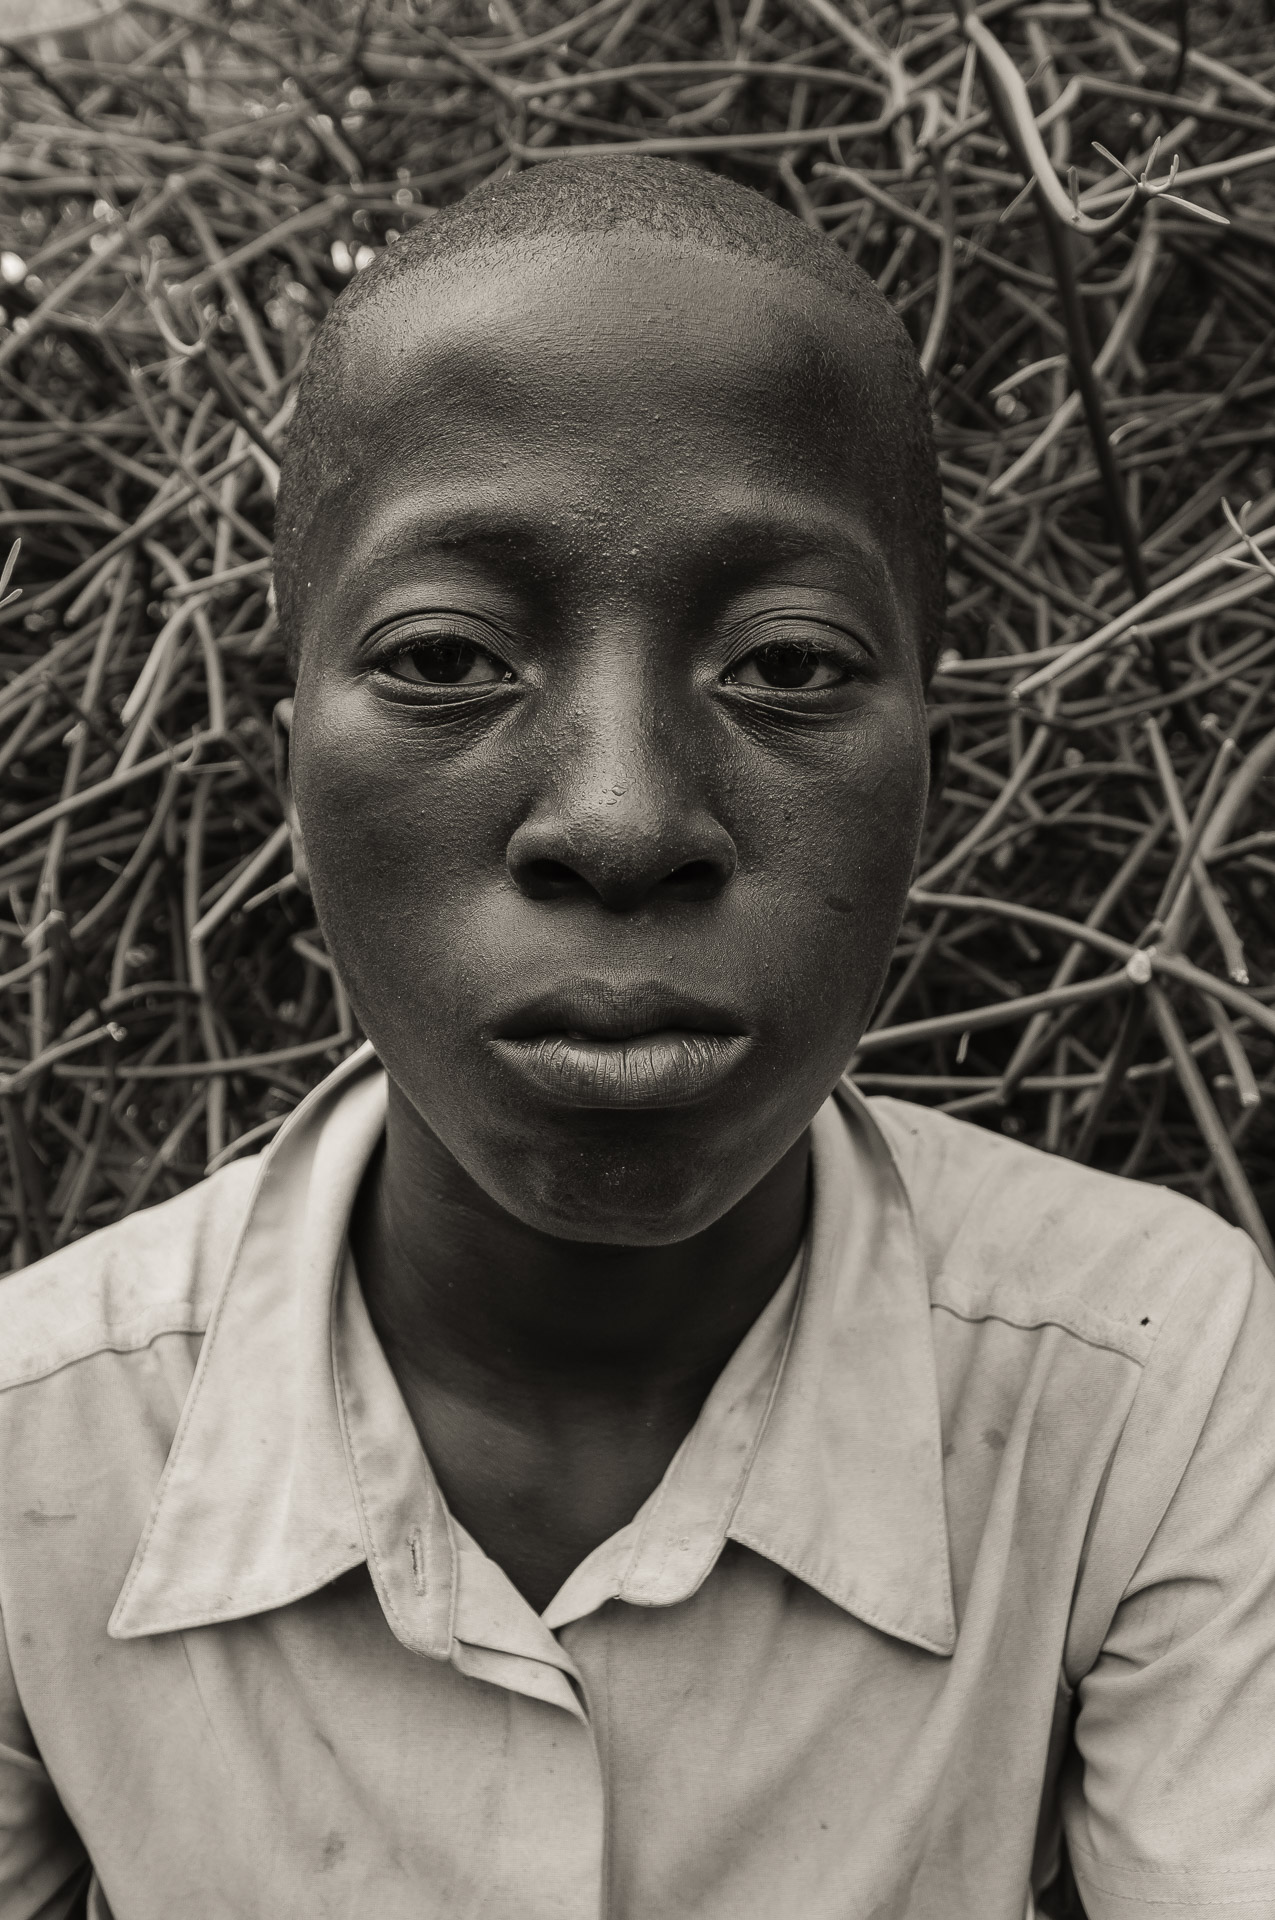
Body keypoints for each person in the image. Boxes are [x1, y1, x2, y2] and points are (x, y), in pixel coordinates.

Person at [1, 154, 1273, 1920]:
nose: (619, 819)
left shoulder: (1149, 1375)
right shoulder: (38, 1449)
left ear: (934, 771)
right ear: (280, 775)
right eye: (446, 658)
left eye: (790, 666)